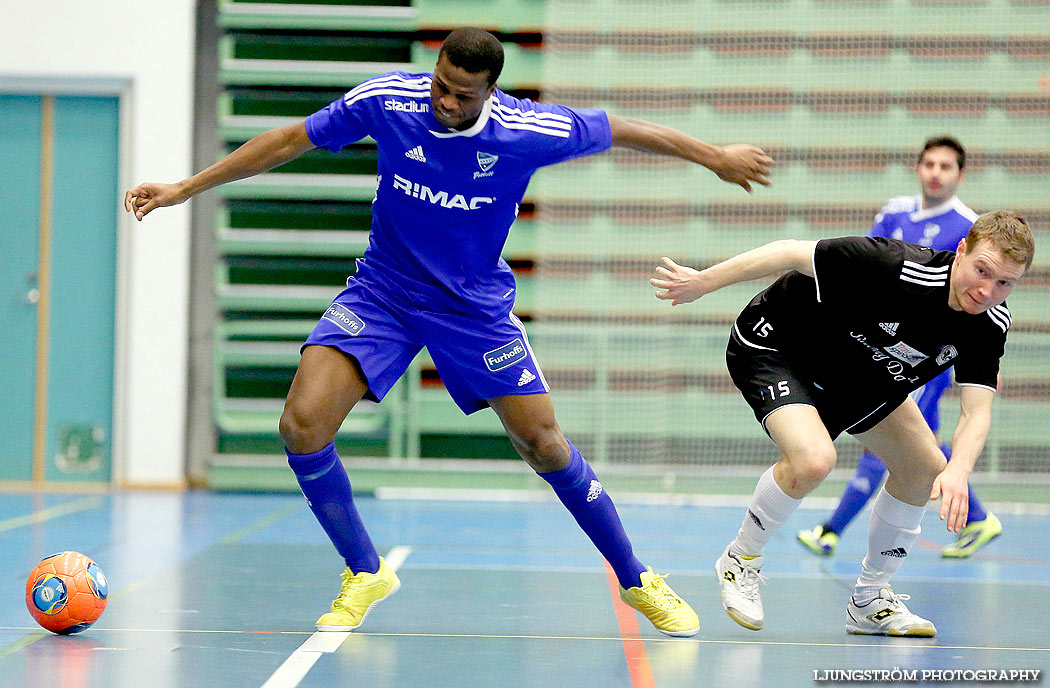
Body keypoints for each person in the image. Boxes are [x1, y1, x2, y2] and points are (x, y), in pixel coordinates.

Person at [125, 28, 773, 637]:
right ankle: (364, 571)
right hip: (383, 293)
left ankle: (637, 579)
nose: (444, 101)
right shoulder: (388, 101)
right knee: (301, 425)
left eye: (461, 95)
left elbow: (623, 129)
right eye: (440, 85)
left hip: (472, 308)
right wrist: (187, 187)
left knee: (545, 445)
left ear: (489, 92)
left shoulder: (528, 130)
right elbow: (292, 138)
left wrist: (714, 156)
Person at [650, 210, 1032, 636]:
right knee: (813, 460)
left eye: (1005, 284)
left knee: (924, 466)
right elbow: (788, 251)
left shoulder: (989, 325)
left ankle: (871, 598)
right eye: (982, 271)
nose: (986, 291)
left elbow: (977, 409)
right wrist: (703, 282)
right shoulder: (895, 266)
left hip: (860, 374)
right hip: (778, 344)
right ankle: (740, 560)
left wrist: (959, 468)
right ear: (961, 252)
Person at [797, 136, 1002, 560]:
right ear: (918, 167)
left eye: (946, 167)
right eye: (929, 164)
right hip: (880, 344)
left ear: (960, 175)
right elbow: (864, 267)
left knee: (890, 434)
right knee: (917, 440)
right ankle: (979, 517)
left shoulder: (969, 227)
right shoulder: (895, 212)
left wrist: (982, 363)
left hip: (929, 357)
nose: (935, 173)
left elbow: (982, 299)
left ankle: (831, 530)